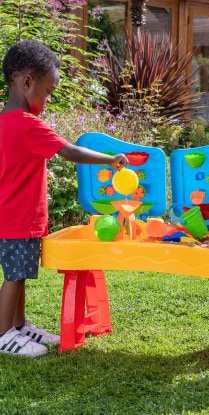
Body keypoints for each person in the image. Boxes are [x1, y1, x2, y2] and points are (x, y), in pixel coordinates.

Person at [0, 40, 128, 357]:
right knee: (16, 277)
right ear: (27, 82)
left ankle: (18, 326)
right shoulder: (30, 126)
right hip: (19, 219)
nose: (48, 98)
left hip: (8, 216)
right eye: (48, 91)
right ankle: (4, 334)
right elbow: (71, 151)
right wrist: (110, 160)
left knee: (19, 274)